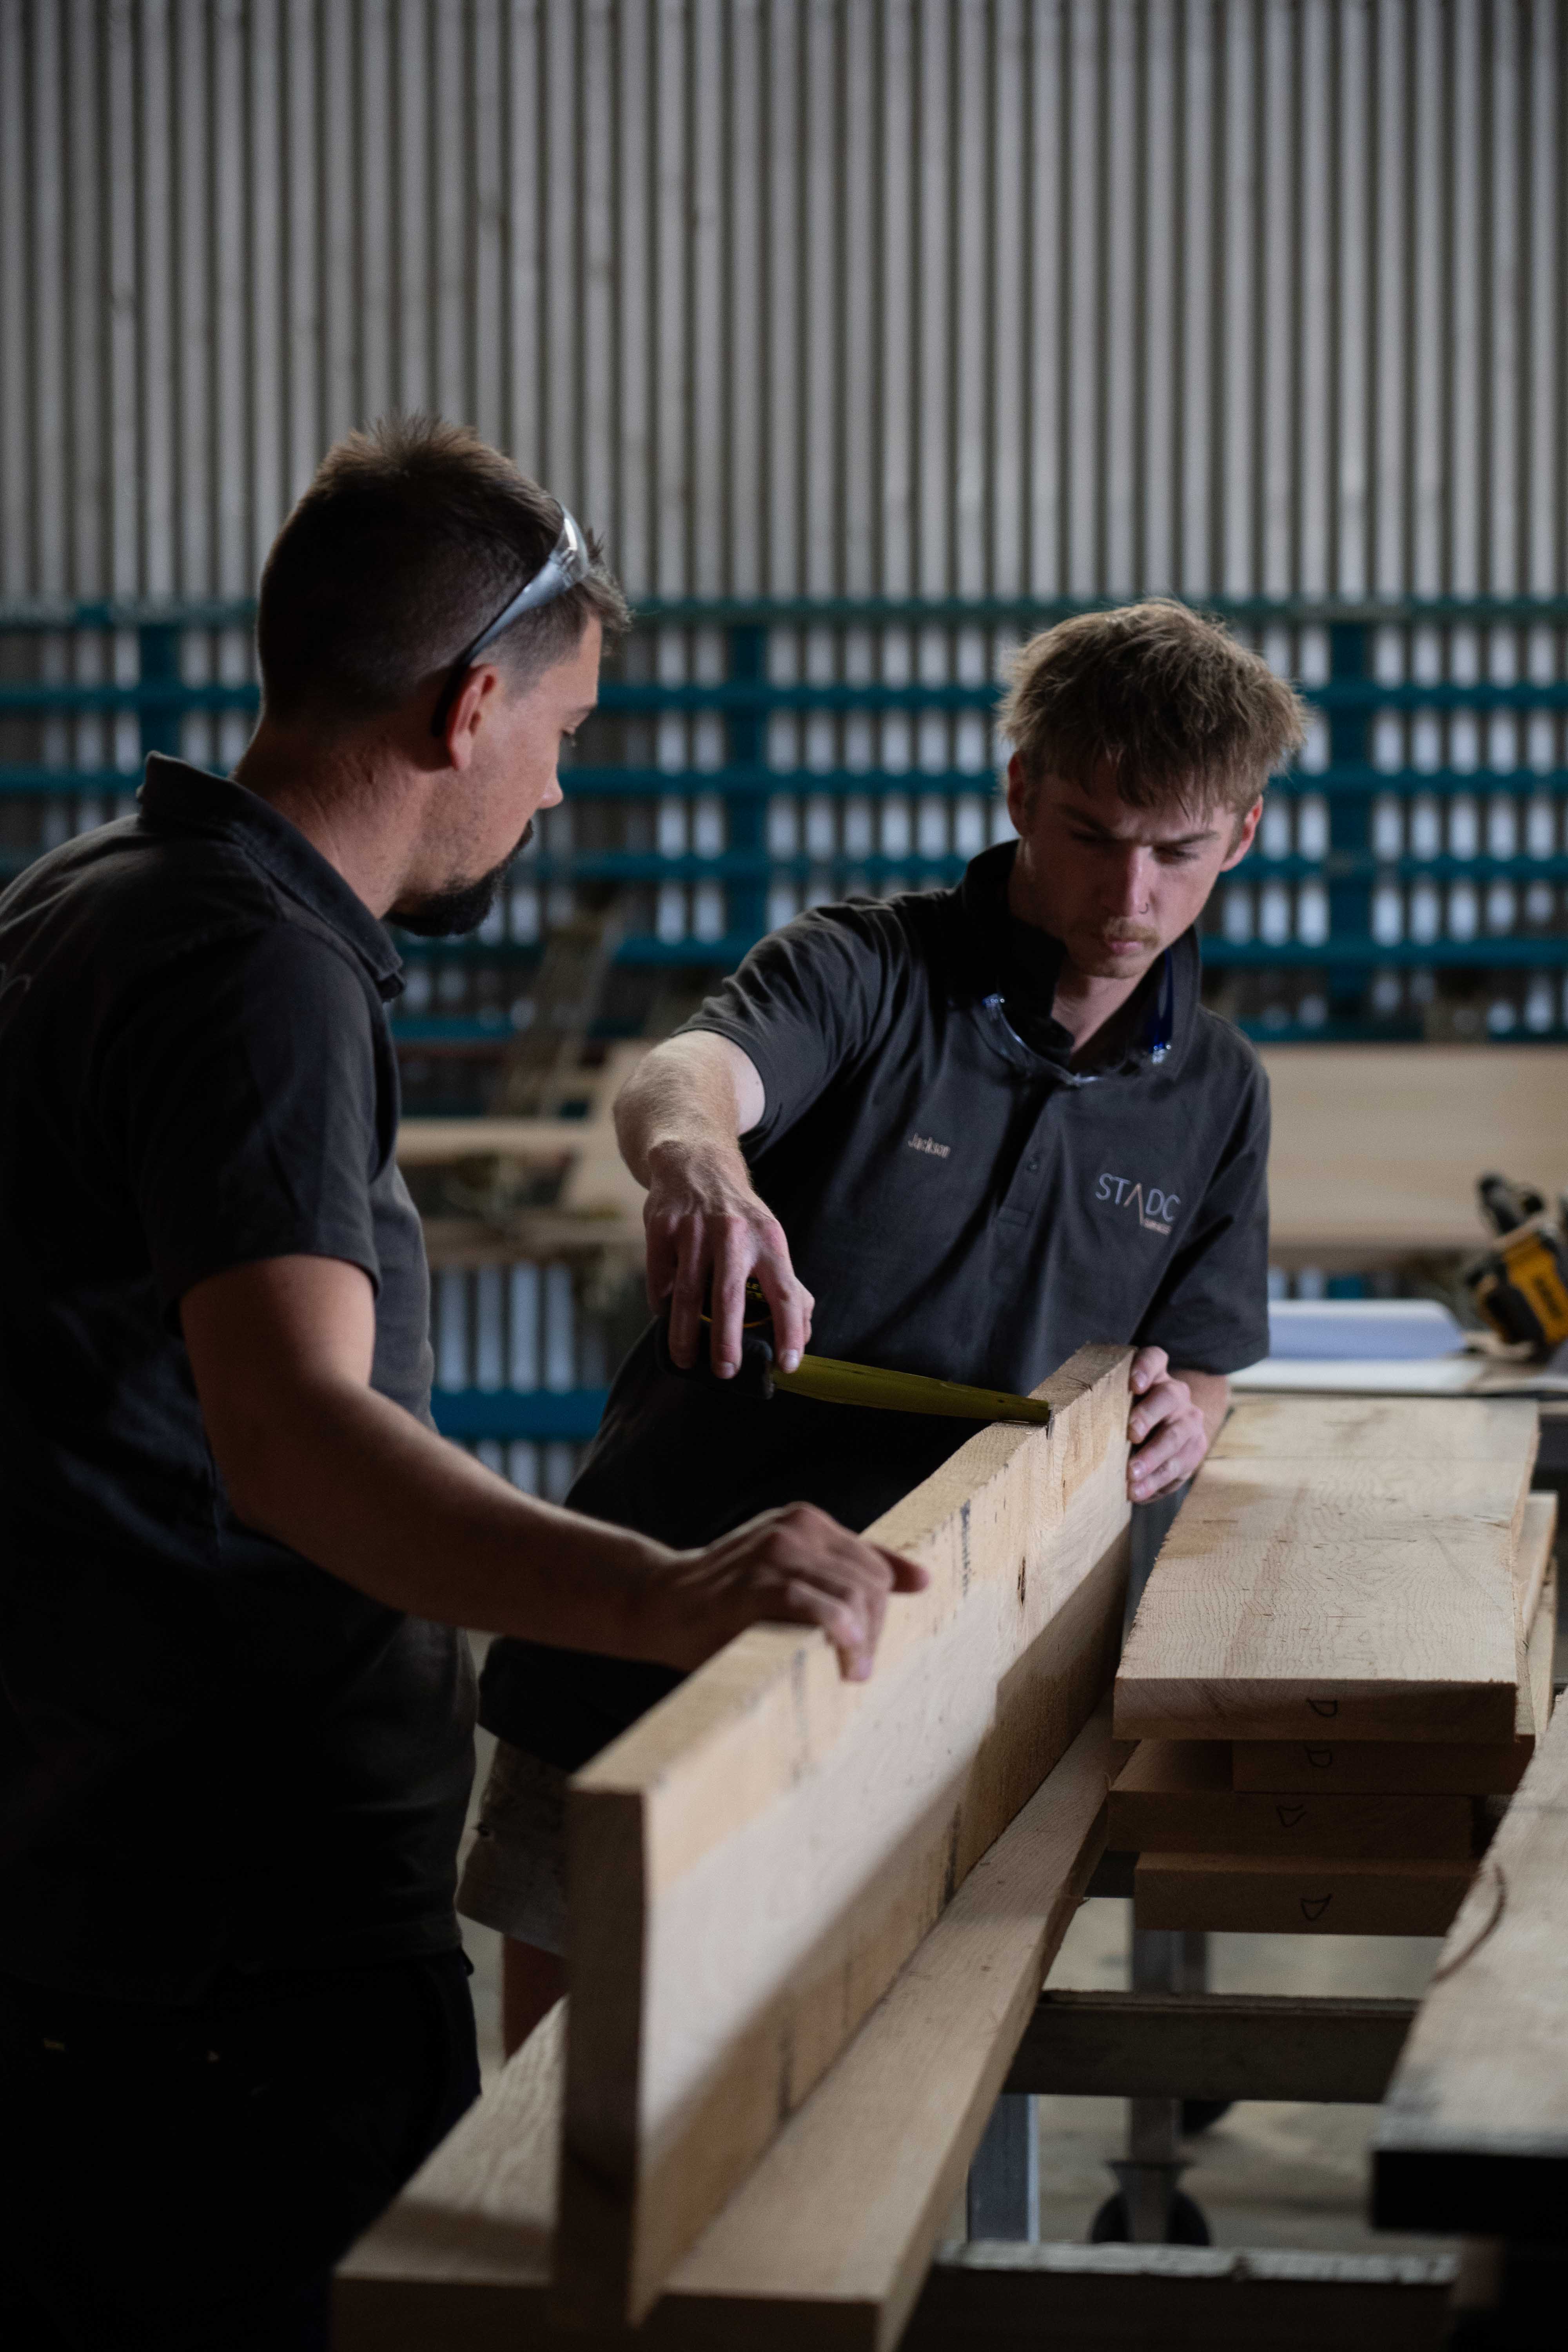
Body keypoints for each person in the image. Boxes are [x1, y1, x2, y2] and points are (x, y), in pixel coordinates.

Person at [0, 417, 924, 2352]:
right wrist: (661, 1591)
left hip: (94, 1884)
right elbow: (296, 1437)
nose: (556, 787)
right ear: (466, 705)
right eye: (564, 735)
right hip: (236, 1941)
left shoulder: (89, 891)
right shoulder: (258, 967)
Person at [465, 599, 1309, 2049]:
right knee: (578, 2073)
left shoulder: (1219, 1092)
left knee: (874, 2068)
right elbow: (688, 1073)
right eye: (1095, 834)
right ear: (1020, 794)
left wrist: (1188, 1413)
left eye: (1177, 851)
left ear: (1238, 836)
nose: (1131, 896)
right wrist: (696, 1166)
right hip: (672, 1592)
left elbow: (1209, 1354)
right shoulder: (861, 969)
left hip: (952, 1659)